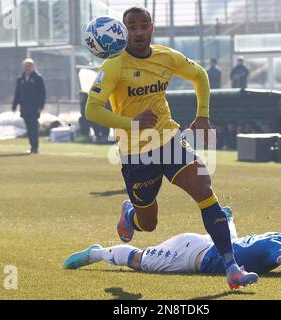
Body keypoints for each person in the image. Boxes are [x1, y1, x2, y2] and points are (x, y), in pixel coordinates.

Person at [84, 6, 257, 289]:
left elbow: (199, 74)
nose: (138, 32)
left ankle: (232, 267)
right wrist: (132, 123)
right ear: (122, 30)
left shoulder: (166, 57)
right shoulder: (113, 66)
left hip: (169, 139)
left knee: (203, 188)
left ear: (152, 27)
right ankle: (130, 215)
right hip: (135, 151)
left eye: (144, 25)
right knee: (148, 222)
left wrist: (202, 115)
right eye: (132, 26)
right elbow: (92, 110)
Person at [64, 207, 281, 281]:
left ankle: (225, 218)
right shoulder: (277, 249)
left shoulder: (280, 239)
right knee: (140, 262)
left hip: (208, 245)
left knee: (233, 239)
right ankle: (98, 253)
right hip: (189, 254)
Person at [12, 58, 46, 154]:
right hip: (24, 108)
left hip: (34, 108)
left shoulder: (38, 78)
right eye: (26, 66)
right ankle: (32, 146)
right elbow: (17, 93)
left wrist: (41, 105)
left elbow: (42, 93)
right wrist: (14, 105)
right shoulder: (20, 79)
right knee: (28, 128)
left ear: (32, 67)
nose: (27, 68)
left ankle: (35, 148)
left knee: (33, 127)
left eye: (29, 66)